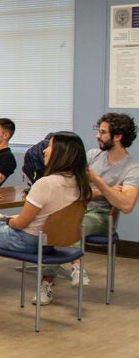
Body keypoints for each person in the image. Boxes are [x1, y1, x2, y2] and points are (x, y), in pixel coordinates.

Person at [0, 131, 91, 306]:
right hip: (49, 241)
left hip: (26, 240)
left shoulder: (45, 183)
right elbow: (46, 216)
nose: (45, 151)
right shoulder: (80, 183)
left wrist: (9, 221)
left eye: (50, 146)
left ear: (62, 153)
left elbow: (21, 223)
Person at [48, 113, 139, 287]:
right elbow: (74, 189)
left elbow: (126, 205)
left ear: (118, 137)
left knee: (71, 224)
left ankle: (58, 275)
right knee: (56, 221)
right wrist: (106, 192)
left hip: (103, 215)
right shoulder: (92, 155)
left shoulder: (132, 169)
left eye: (103, 132)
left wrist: (97, 180)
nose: (98, 136)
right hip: (79, 208)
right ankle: (71, 270)